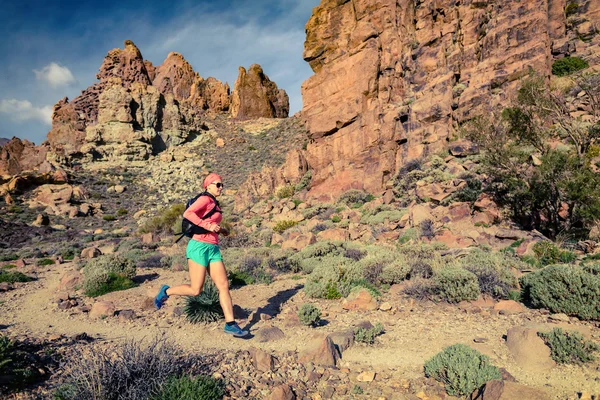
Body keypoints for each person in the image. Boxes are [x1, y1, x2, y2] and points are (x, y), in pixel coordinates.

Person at [154, 172, 248, 337]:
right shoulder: (205, 199)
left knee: (223, 285)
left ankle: (230, 324)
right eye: (218, 184)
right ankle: (166, 291)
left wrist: (222, 230)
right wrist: (208, 226)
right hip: (198, 247)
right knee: (196, 290)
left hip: (213, 248)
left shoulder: (214, 203)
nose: (221, 187)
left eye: (222, 185)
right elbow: (188, 214)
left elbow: (212, 223)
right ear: (208, 185)